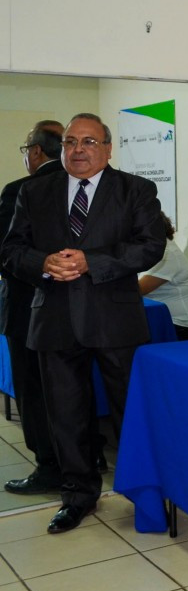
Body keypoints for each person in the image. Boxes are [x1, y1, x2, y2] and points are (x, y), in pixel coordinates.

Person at [0, 113, 166, 533]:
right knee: (66, 415)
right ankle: (77, 496)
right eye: (72, 141)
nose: (78, 149)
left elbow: (149, 246)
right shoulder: (34, 191)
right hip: (54, 319)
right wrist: (44, 262)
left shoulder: (136, 190)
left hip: (115, 319)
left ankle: (144, 493)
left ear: (108, 149)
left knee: (131, 411)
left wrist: (93, 262)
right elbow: (11, 250)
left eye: (89, 142)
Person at [1, 120, 65, 495]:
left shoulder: (19, 190)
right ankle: (84, 456)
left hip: (28, 308)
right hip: (72, 310)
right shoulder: (81, 189)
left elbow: (5, 252)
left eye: (26, 149)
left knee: (33, 389)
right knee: (70, 388)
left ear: (36, 152)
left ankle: (48, 467)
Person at [138, 212, 188, 340]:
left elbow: (139, 289)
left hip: (185, 326)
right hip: (167, 320)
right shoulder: (152, 251)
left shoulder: (168, 254)